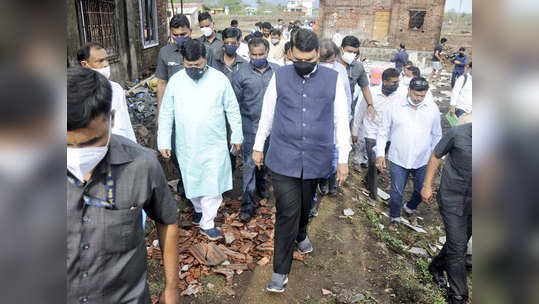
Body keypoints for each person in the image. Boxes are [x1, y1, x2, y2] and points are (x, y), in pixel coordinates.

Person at [67, 67, 179, 304]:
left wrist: (171, 287)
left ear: (112, 119)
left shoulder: (142, 165)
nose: (78, 156)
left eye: (91, 143)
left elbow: (167, 221)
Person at [253, 29, 351, 292]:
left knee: (305, 206)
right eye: (298, 60)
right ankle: (280, 271)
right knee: (287, 211)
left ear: (318, 54)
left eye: (309, 60)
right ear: (290, 54)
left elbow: (341, 120)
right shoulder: (280, 76)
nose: (303, 65)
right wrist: (258, 145)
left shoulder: (333, 80)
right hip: (284, 156)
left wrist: (343, 158)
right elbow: (268, 113)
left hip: (317, 156)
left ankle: (301, 232)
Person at [157, 39, 243, 241]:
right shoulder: (176, 81)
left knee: (212, 182)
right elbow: (166, 113)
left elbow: (232, 109)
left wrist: (237, 135)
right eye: (189, 65)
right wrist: (163, 141)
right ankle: (198, 210)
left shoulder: (219, 80)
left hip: (214, 142)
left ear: (206, 59)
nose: (194, 68)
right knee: (191, 178)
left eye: (198, 65)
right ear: (183, 61)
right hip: (187, 143)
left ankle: (208, 222)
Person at [376, 77, 442, 230]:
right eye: (416, 95)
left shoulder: (432, 109)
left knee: (421, 189)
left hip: (423, 158)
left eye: (422, 96)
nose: (419, 98)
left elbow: (437, 135)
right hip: (399, 157)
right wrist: (380, 153)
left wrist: (436, 156)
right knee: (396, 190)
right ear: (409, 90)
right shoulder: (394, 106)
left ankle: (409, 207)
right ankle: (395, 217)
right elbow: (383, 131)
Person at [421, 121, 472, 304]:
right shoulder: (457, 134)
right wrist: (427, 185)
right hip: (453, 199)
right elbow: (436, 156)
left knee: (461, 240)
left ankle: (436, 265)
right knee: (458, 247)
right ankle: (458, 296)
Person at [231, 38, 279, 222]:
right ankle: (248, 205)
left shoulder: (277, 72)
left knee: (266, 160)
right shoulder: (240, 74)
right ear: (249, 53)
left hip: (273, 128)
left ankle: (262, 184)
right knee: (249, 165)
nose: (257, 57)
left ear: (267, 52)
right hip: (250, 127)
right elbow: (234, 105)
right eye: (254, 54)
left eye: (261, 54)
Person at [155, 14, 200, 197]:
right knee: (175, 150)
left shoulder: (201, 50)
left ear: (190, 31)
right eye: (176, 35)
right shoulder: (165, 53)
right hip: (175, 111)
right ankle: (184, 180)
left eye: (183, 34)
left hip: (198, 110)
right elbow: (161, 83)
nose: (180, 38)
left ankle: (196, 186)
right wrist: (160, 113)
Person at [352, 68, 401, 206]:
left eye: (398, 82)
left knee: (378, 164)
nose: (396, 85)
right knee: (375, 162)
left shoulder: (399, 96)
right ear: (384, 82)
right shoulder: (371, 94)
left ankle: (367, 179)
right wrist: (355, 131)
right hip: (371, 133)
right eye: (393, 82)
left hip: (389, 136)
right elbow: (359, 112)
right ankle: (373, 195)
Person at [313, 39, 352, 203]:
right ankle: (313, 200)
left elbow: (347, 98)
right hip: (315, 127)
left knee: (333, 160)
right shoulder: (311, 69)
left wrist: (346, 120)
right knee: (313, 166)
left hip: (335, 126)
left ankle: (329, 182)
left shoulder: (340, 71)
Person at [77, 42, 136, 143]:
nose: (106, 64)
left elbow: (125, 122)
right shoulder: (74, 94)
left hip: (120, 149)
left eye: (106, 59)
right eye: (100, 61)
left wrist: (133, 146)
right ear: (85, 64)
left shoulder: (116, 89)